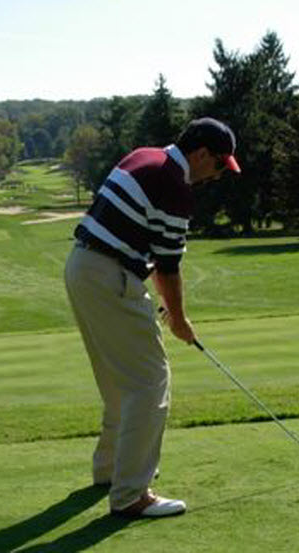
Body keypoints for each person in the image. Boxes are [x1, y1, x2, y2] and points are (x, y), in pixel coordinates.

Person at [64, 117, 240, 518]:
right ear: (200, 154)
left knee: (118, 383)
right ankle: (131, 494)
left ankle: (111, 470)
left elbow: (141, 242)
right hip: (109, 275)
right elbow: (168, 266)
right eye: (218, 164)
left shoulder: (144, 157)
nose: (216, 175)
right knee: (150, 382)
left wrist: (157, 299)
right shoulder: (174, 185)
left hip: (82, 267)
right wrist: (179, 320)